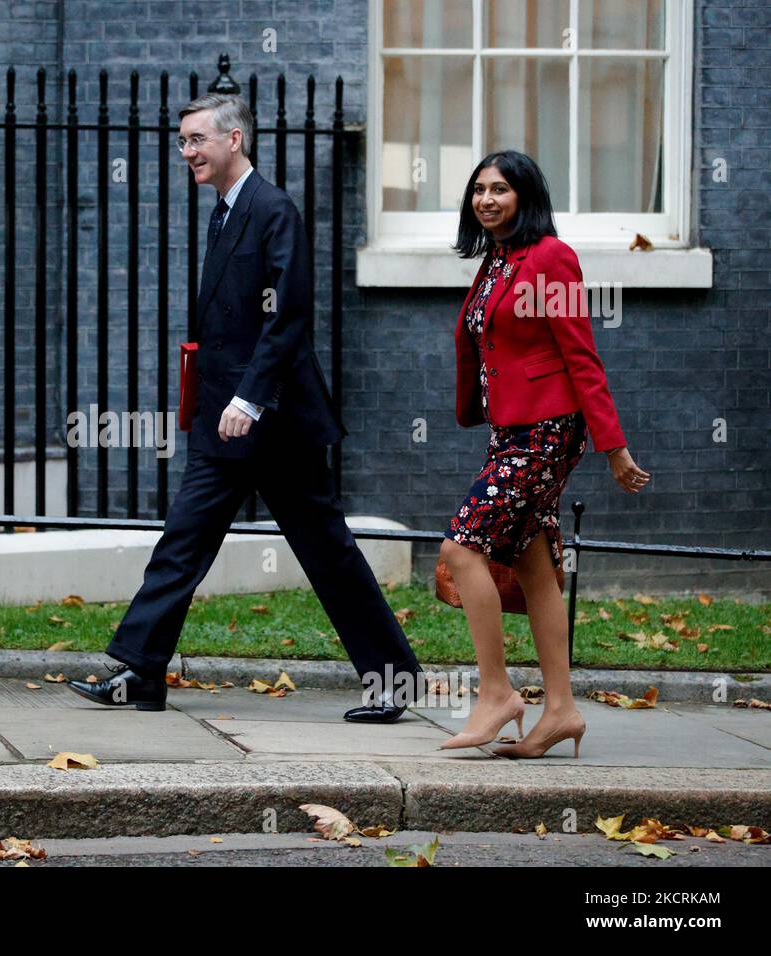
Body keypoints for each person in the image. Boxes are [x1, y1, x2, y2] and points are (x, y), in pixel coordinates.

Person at [69, 93, 422, 721]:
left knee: (327, 551)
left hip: (275, 422)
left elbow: (287, 318)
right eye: (181, 142)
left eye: (197, 140)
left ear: (234, 140)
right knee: (182, 541)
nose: (187, 152)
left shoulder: (272, 209)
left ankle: (397, 682)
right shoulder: (227, 211)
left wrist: (251, 398)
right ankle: (142, 673)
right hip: (223, 423)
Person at [438, 150, 650, 758]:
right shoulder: (497, 261)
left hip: (548, 431)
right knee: (532, 562)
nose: (486, 200)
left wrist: (613, 446)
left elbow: (580, 354)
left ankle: (497, 694)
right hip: (511, 429)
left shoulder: (550, 258)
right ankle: (560, 710)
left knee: (462, 548)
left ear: (526, 196)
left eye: (499, 189)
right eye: (478, 190)